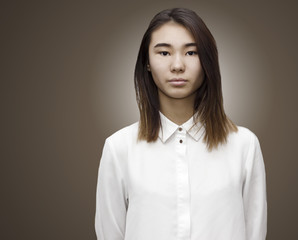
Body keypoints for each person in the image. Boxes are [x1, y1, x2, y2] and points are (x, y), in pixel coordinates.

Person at [95, 7, 267, 240]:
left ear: (207, 61)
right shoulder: (119, 149)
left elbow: (255, 233)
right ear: (146, 62)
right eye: (164, 53)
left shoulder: (244, 145)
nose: (177, 65)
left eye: (191, 53)